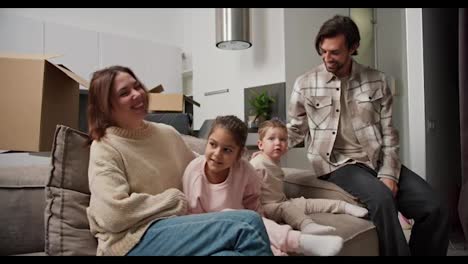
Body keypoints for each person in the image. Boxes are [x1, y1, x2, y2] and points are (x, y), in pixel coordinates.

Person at [287, 15, 449, 256]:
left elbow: (389, 135)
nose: (327, 58)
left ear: (353, 48)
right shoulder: (305, 83)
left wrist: (390, 174)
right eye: (323, 51)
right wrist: (269, 147)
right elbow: (295, 129)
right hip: (337, 163)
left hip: (375, 159)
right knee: (382, 199)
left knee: (435, 207)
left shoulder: (378, 81)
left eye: (335, 52)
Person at [86, 65, 273, 256]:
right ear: (106, 106)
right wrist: (173, 200)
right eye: (124, 93)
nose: (137, 94)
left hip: (177, 231)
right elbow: (113, 214)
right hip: (131, 240)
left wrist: (247, 161)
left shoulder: (166, 133)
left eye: (137, 86)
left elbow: (204, 165)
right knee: (247, 223)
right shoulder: (105, 147)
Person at [182, 115, 344, 256]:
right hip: (208, 228)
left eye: (227, 150)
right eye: (213, 144)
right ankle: (298, 241)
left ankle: (291, 245)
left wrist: (264, 229)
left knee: (260, 231)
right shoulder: (194, 172)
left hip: (243, 224)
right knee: (236, 216)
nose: (217, 153)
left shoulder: (245, 170)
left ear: (239, 154)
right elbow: (194, 219)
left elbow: (253, 204)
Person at [250, 119, 369, 235]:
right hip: (265, 208)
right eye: (271, 139)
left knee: (306, 203)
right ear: (261, 145)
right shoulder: (258, 164)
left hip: (281, 201)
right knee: (286, 207)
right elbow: (247, 191)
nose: (277, 142)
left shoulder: (274, 161)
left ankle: (343, 206)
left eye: (282, 139)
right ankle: (307, 225)